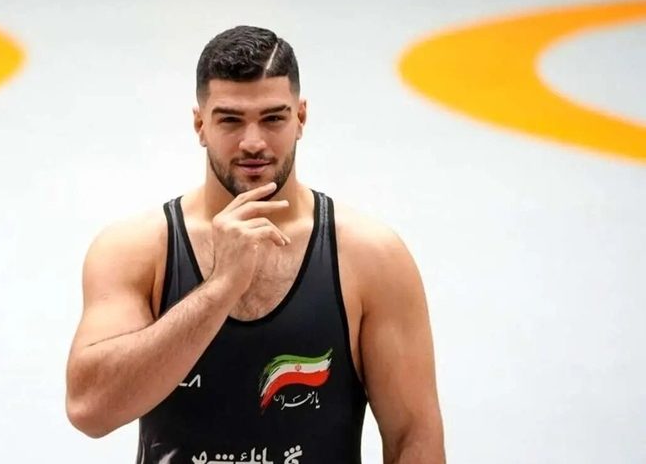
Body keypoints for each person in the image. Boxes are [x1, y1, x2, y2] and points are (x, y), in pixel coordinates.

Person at [65, 25, 445, 463]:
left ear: (300, 118)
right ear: (200, 124)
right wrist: (220, 287)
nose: (253, 142)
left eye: (273, 119)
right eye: (230, 120)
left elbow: (414, 437)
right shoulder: (137, 251)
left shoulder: (369, 258)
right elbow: (89, 409)